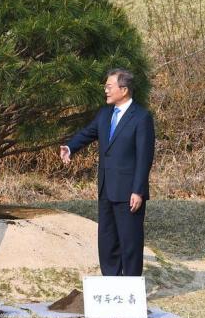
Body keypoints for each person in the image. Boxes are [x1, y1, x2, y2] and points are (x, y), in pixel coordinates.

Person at [60, 68, 155, 276]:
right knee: (107, 240)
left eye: (109, 87)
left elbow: (144, 157)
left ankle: (130, 289)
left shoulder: (141, 117)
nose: (106, 91)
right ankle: (111, 285)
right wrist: (70, 147)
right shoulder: (105, 114)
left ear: (124, 89)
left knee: (130, 242)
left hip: (129, 192)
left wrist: (138, 190)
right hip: (105, 188)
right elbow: (88, 133)